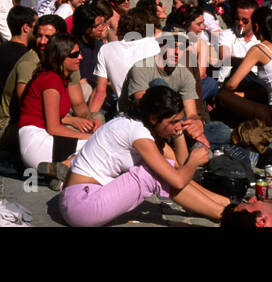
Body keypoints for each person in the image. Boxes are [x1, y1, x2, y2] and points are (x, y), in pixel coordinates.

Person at [58, 85, 228, 226]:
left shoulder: (142, 126)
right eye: (173, 122)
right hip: (81, 204)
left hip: (78, 200)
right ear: (154, 118)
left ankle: (225, 207)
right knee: (151, 174)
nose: (178, 126)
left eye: (180, 121)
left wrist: (178, 133)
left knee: (164, 168)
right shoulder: (138, 133)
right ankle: (225, 216)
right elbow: (178, 179)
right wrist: (194, 161)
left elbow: (178, 167)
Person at [17, 32, 95, 177]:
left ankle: (62, 171)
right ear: (61, 57)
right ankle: (65, 167)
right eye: (74, 55)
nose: (80, 57)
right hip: (36, 143)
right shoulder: (51, 81)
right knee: (99, 145)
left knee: (97, 146)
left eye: (80, 53)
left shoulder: (58, 78)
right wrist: (89, 138)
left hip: (40, 138)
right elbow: (54, 128)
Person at [216, 6, 272, 131]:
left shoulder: (259, 49)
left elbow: (231, 85)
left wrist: (226, 93)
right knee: (259, 87)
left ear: (256, 27)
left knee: (222, 95)